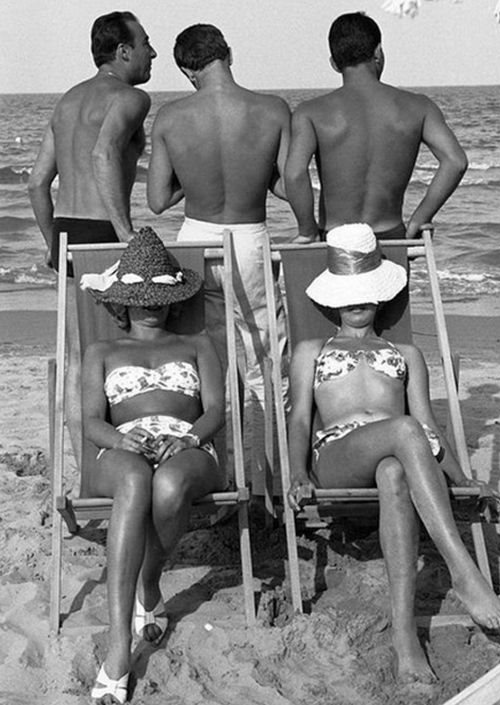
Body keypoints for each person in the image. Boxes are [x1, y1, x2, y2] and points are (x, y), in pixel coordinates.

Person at [287, 223, 500, 684]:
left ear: (380, 296)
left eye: (366, 293)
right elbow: (299, 419)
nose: (357, 302)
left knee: (395, 471)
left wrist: (461, 477)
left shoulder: (406, 352)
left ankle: (405, 637)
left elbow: (428, 426)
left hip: (399, 452)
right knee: (404, 430)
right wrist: (296, 473)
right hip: (337, 457)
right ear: (333, 299)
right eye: (348, 294)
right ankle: (463, 572)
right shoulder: (312, 350)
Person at [81, 228, 225, 704]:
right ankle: (119, 646)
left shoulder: (198, 344)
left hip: (189, 446)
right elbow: (90, 421)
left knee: (168, 485)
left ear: (174, 300)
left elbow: (215, 411)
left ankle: (149, 582)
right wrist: (122, 439)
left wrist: (187, 438)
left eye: (158, 298)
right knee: (134, 476)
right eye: (139, 298)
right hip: (121, 447)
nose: (149, 307)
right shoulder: (102, 352)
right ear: (121, 303)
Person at [147, 23, 290, 492]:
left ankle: (223, 479)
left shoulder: (171, 117)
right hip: (249, 237)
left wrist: (195, 173)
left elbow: (157, 200)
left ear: (188, 70)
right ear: (228, 54)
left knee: (211, 364)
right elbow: (289, 186)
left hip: (195, 242)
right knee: (267, 360)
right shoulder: (273, 109)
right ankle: (271, 480)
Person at [285, 11, 468, 342]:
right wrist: (419, 218)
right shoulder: (418, 106)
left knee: (331, 341)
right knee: (391, 340)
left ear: (333, 62)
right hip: (391, 237)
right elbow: (455, 161)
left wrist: (307, 230)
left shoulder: (312, 112)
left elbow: (295, 173)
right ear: (379, 53)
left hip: (336, 241)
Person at [28, 11, 157, 464]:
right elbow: (104, 154)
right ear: (123, 51)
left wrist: (53, 244)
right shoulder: (131, 97)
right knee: (115, 351)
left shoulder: (67, 101)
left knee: (77, 359)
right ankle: (119, 459)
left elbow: (36, 183)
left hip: (67, 231)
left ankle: (85, 467)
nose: (152, 52)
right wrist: (126, 236)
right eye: (145, 43)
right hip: (104, 235)